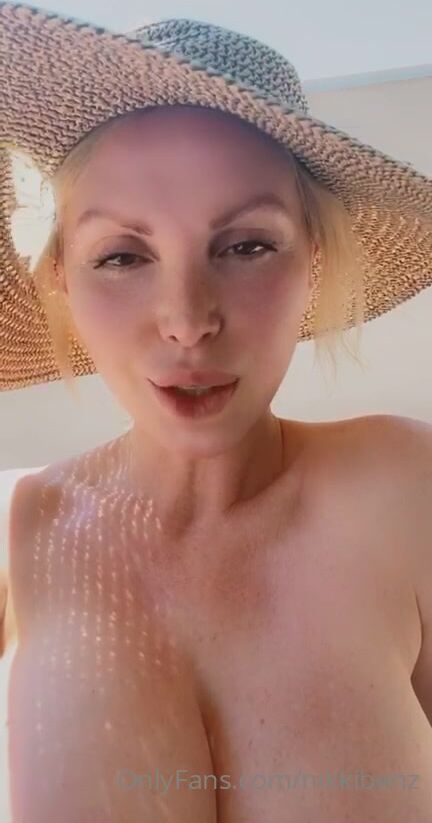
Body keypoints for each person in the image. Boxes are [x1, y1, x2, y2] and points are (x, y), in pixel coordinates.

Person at [1, 4, 432, 822]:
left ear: (312, 257)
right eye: (121, 256)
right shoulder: (16, 531)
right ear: (61, 277)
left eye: (246, 245)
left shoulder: (411, 491)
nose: (187, 320)